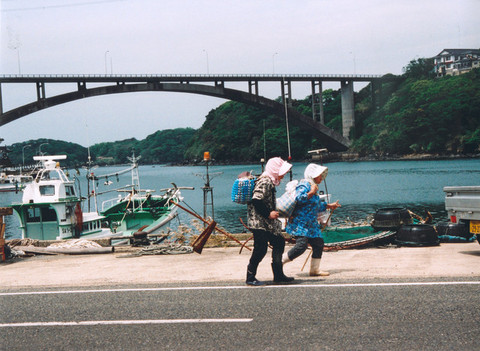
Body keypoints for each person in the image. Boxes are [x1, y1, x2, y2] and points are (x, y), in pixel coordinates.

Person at [283, 163, 341, 276]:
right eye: (319, 176)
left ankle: (314, 270)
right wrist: (311, 192)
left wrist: (329, 206)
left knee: (318, 244)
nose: (322, 178)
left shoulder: (313, 185)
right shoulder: (304, 185)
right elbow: (299, 199)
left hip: (311, 224)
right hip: (301, 223)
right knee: (301, 246)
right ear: (312, 175)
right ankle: (279, 262)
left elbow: (316, 205)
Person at [246, 157, 294, 286]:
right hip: (259, 222)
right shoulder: (265, 181)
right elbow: (256, 199)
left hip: (266, 222)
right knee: (260, 249)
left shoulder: (270, 181)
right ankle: (250, 277)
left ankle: (278, 275)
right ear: (275, 170)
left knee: (279, 242)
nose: (284, 174)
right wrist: (268, 213)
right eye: (282, 171)